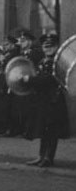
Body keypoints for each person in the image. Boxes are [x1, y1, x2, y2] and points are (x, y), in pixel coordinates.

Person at [22, 33, 70, 167]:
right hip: (43, 100)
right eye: (45, 46)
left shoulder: (58, 62)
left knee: (51, 130)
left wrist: (30, 80)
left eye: (51, 46)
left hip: (53, 100)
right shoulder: (42, 61)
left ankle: (49, 157)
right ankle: (41, 156)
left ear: (56, 47)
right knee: (43, 129)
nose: (48, 49)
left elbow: (49, 79)